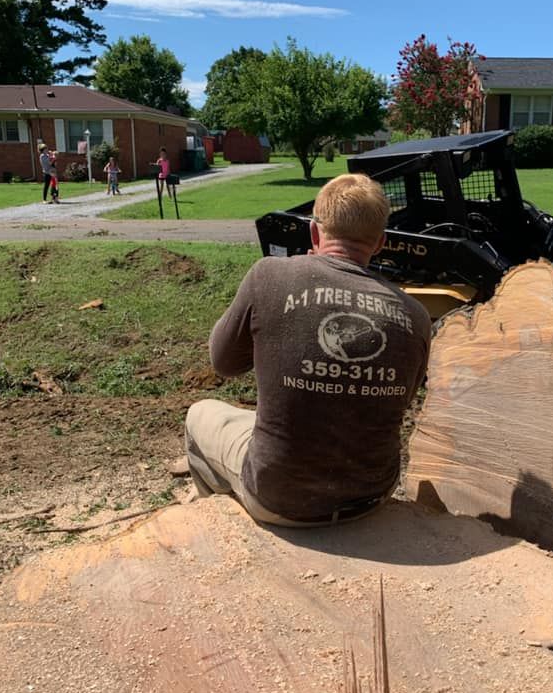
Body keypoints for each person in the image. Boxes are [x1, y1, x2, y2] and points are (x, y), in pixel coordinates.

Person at [181, 172, 432, 527]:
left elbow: (223, 363)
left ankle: (227, 527)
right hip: (372, 495)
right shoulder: (417, 315)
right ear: (380, 243)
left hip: (278, 497)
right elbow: (398, 401)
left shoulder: (267, 275)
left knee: (200, 413)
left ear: (314, 232)